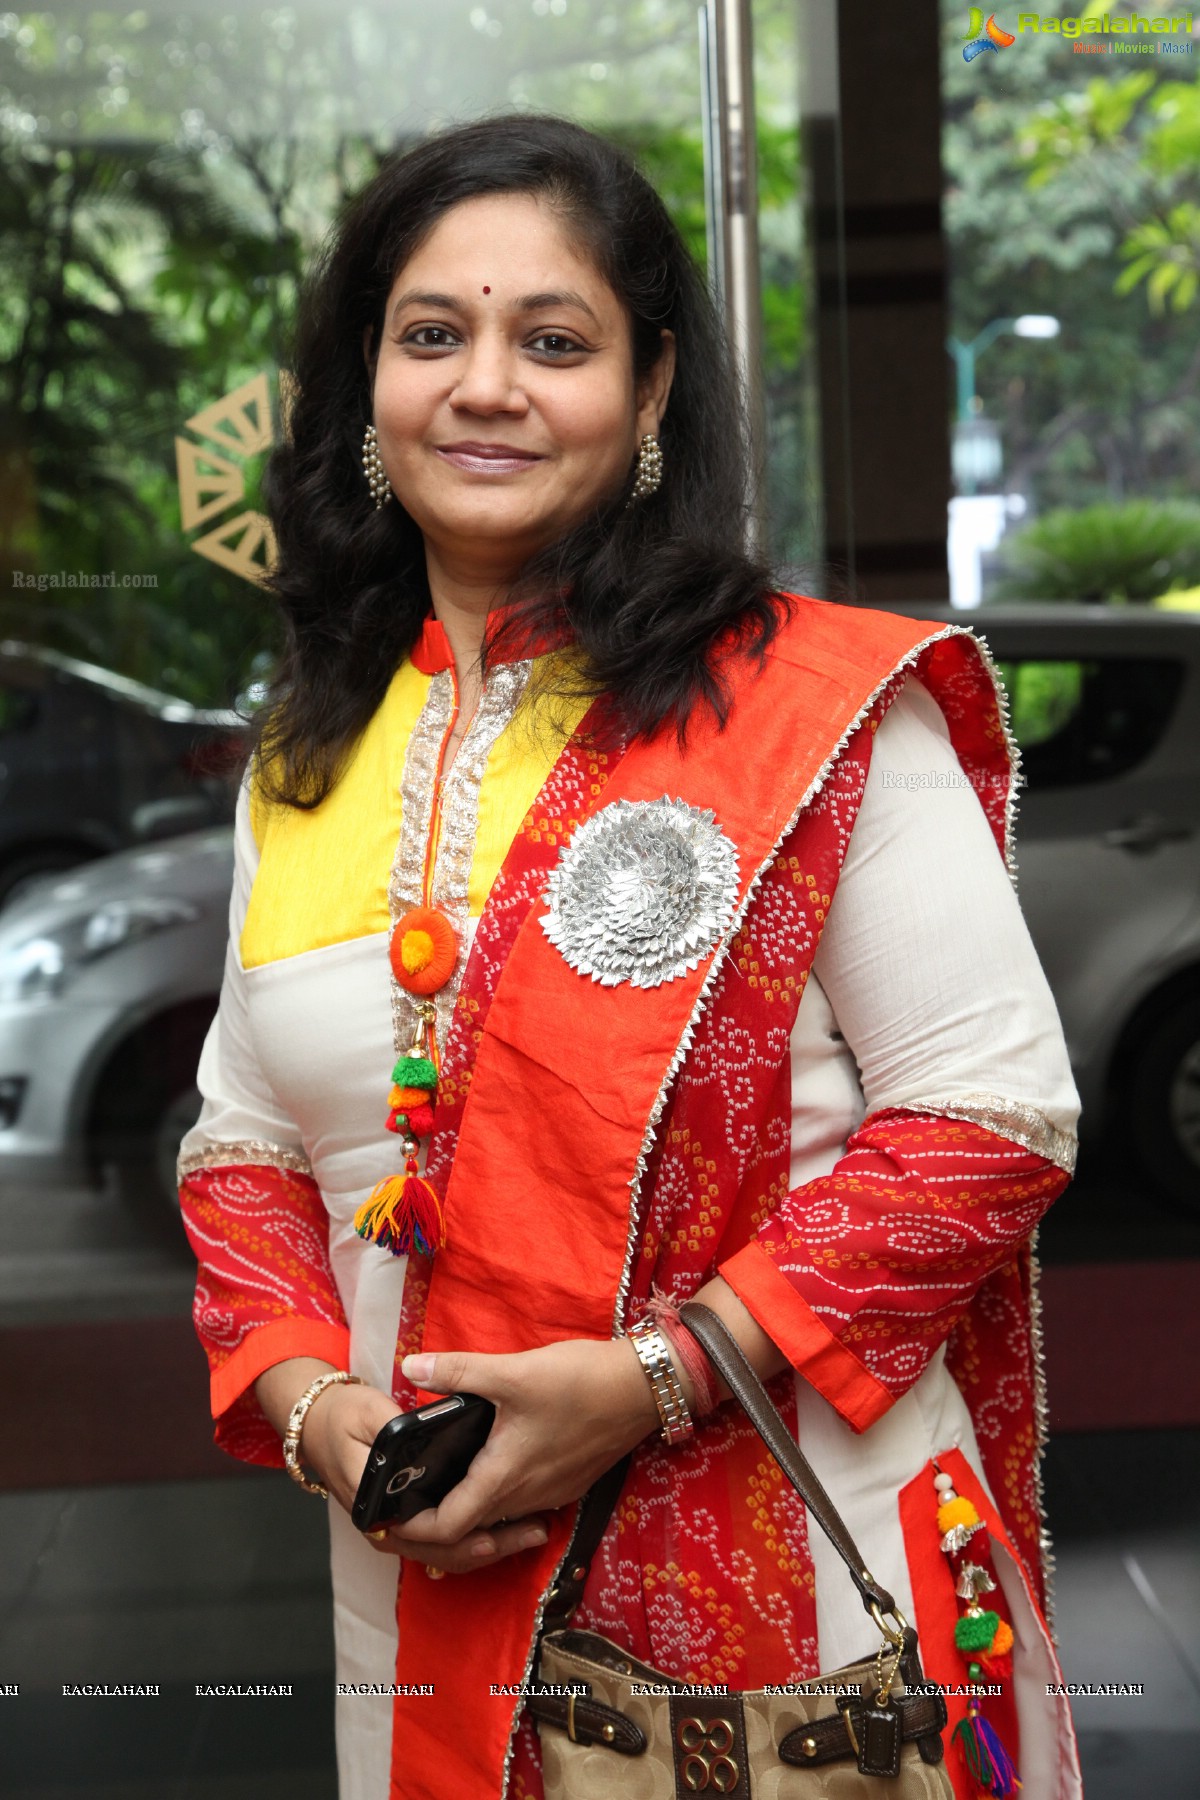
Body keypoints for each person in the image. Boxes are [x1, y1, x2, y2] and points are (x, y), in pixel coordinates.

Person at [178, 114, 1084, 1800]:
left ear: (653, 391)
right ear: (366, 386)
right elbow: (240, 1145)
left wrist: (653, 1378)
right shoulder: (304, 754)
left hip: (805, 1596)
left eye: (558, 340)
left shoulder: (807, 710)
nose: (486, 386)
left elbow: (992, 1116)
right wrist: (320, 1414)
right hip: (418, 1572)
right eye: (432, 334)